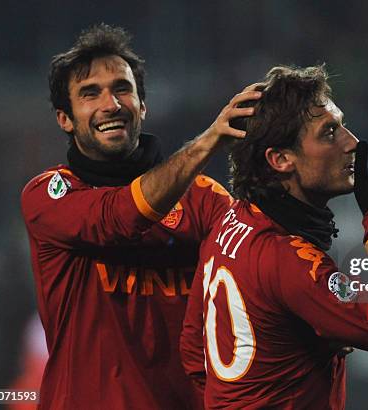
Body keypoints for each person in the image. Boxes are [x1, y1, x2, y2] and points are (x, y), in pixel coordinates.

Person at [20, 24, 260, 409]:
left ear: (142, 106)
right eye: (89, 94)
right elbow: (118, 218)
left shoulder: (203, 199)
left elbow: (261, 266)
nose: (110, 104)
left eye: (122, 89)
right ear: (64, 118)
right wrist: (209, 141)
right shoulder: (48, 196)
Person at [181, 65, 368, 409]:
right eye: (329, 133)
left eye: (342, 124)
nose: (352, 143)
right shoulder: (289, 259)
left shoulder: (231, 222)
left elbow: (196, 353)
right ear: (282, 159)